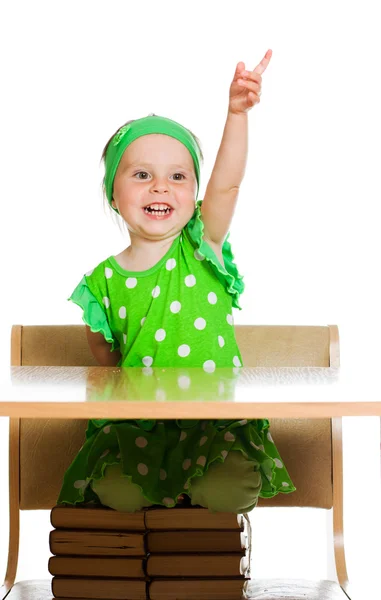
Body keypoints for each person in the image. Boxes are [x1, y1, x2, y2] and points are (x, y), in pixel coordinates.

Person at [58, 49, 296, 513]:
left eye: (178, 176)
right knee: (118, 491)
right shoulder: (101, 283)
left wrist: (237, 114)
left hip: (216, 425)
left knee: (230, 489)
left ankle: (191, 505)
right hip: (143, 429)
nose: (160, 187)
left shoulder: (201, 246)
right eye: (141, 175)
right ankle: (167, 506)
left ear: (193, 194)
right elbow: (107, 367)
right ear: (113, 193)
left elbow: (227, 185)